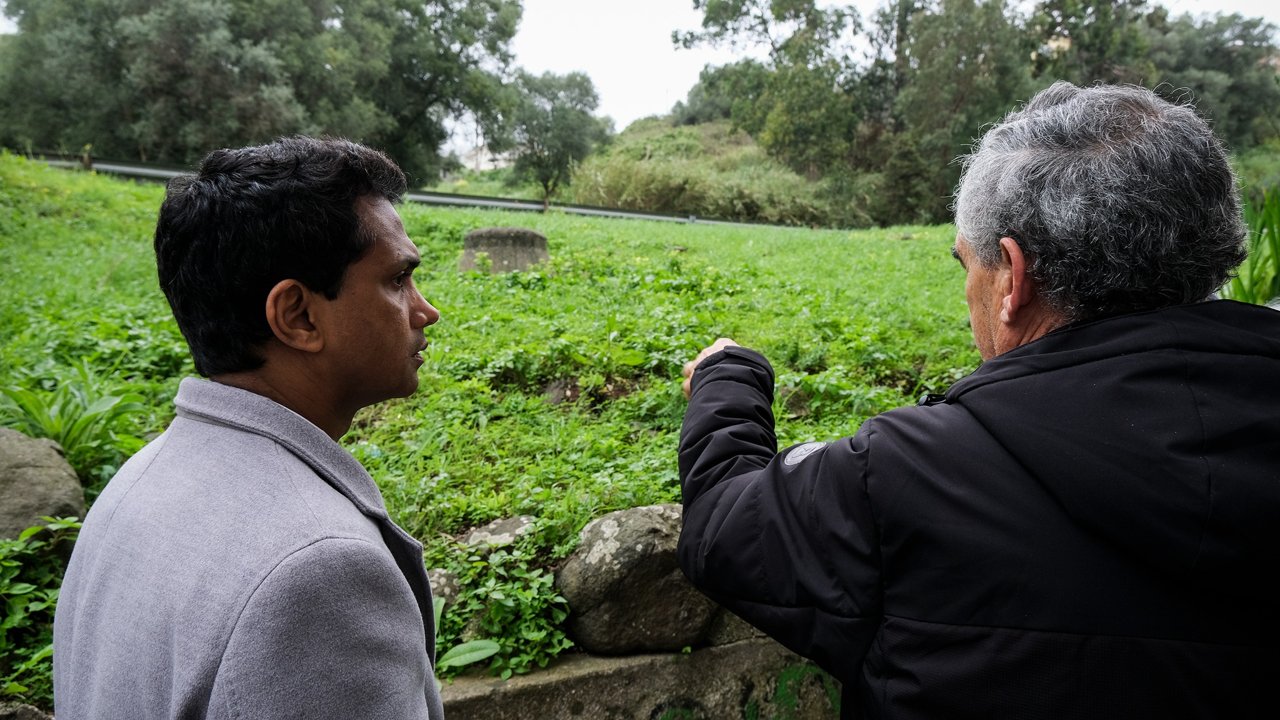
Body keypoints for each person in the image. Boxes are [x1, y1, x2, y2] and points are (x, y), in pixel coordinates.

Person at [677, 82, 1280, 719]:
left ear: (1012, 281)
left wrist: (727, 377)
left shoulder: (911, 471)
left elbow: (723, 525)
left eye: (967, 263)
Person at [53, 137, 445, 719]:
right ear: (299, 316)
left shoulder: (137, 482)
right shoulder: (320, 575)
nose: (424, 310)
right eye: (397, 279)